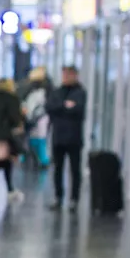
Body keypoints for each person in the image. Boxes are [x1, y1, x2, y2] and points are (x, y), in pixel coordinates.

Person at [46, 65, 87, 212]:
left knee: (75, 169)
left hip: (74, 137)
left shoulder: (80, 92)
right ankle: (58, 197)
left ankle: (74, 199)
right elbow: (50, 107)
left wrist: (62, 108)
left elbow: (78, 110)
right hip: (58, 137)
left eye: (69, 74)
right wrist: (65, 106)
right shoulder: (57, 92)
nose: (66, 77)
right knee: (58, 168)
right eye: (64, 74)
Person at [22, 68, 51, 171]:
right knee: (33, 138)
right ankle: (37, 158)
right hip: (34, 116)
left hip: (41, 117)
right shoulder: (30, 90)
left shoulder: (45, 89)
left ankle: (43, 159)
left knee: (40, 138)